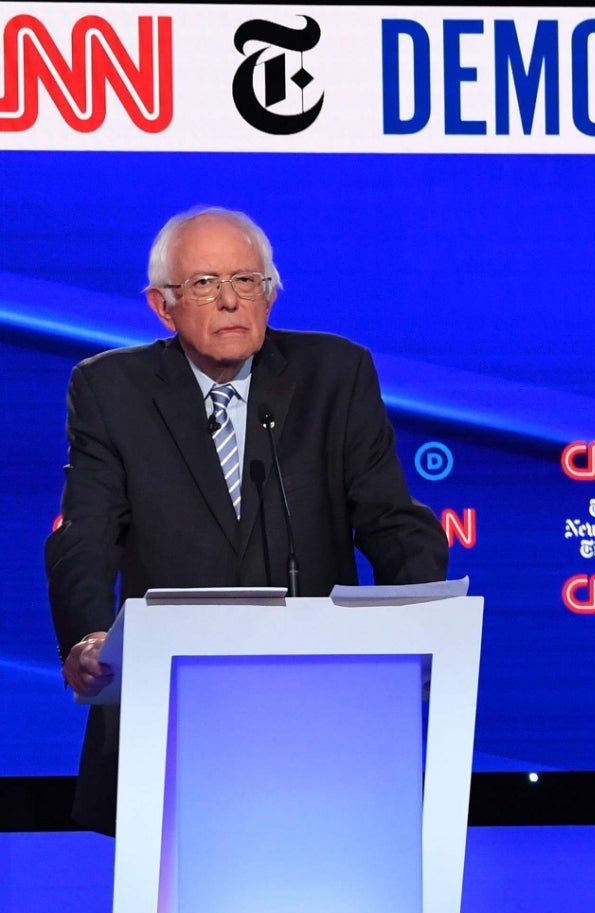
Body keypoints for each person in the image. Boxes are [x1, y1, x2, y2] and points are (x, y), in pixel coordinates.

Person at [44, 207, 449, 833]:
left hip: (323, 708)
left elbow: (395, 523)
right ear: (163, 305)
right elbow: (86, 536)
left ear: (271, 294)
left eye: (247, 282)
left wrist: (421, 627)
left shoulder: (334, 376)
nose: (230, 301)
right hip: (172, 711)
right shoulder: (110, 390)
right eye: (204, 284)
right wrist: (87, 637)